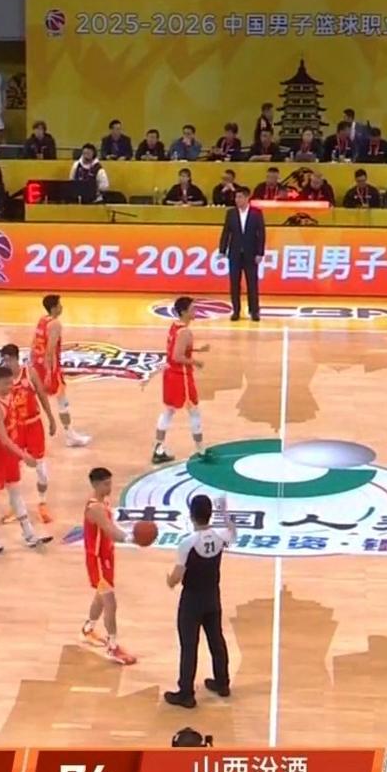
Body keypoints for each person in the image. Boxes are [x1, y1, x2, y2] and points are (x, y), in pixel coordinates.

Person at [163, 493, 234, 708]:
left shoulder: (188, 543)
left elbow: (177, 577)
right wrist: (224, 511)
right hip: (212, 597)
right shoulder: (220, 537)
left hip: (192, 601)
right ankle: (222, 683)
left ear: (191, 515)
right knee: (216, 640)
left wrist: (169, 580)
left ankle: (186, 693)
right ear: (210, 514)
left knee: (189, 646)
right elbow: (233, 530)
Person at [0, 366, 50, 554]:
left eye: (11, 383)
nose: (10, 387)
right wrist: (23, 455)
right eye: (6, 384)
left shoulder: (8, 397)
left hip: (8, 454)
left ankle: (29, 534)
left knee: (16, 492)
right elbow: (3, 438)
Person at [80, 467, 139, 666]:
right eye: (106, 484)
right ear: (96, 485)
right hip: (97, 559)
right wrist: (132, 538)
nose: (110, 487)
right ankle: (112, 647)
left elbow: (111, 530)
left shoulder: (103, 502)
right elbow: (110, 530)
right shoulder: (95, 508)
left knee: (100, 596)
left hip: (106, 557)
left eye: (110, 482)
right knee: (110, 602)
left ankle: (88, 629)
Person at [0, 343, 57, 523]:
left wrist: (51, 418)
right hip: (15, 428)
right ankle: (15, 506)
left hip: (33, 426)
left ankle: (42, 502)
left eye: (9, 360)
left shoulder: (29, 373)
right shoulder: (1, 379)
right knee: (12, 470)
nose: (6, 363)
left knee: (41, 470)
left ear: (16, 359)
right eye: (4, 360)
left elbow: (42, 395)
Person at [153, 296, 207, 463]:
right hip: (181, 376)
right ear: (184, 312)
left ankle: (158, 449)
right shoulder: (185, 332)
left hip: (170, 375)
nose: (195, 311)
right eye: (192, 309)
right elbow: (177, 356)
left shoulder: (175, 326)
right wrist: (195, 362)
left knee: (168, 411)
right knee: (194, 411)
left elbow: (175, 349)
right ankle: (201, 450)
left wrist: (196, 350)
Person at [31, 295, 91, 447]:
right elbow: (50, 351)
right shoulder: (55, 324)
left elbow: (37, 345)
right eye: (59, 305)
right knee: (62, 402)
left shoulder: (42, 320)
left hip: (37, 365)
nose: (61, 307)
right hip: (49, 368)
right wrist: (49, 374)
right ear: (54, 308)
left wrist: (68, 347)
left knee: (36, 399)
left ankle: (69, 434)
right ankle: (70, 436)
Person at [218, 187, 265, 322]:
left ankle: (254, 311)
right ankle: (236, 311)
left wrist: (260, 252)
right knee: (234, 283)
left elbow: (261, 233)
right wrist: (222, 250)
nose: (237, 200)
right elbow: (226, 232)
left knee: (252, 284)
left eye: (240, 197)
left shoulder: (256, 213)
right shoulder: (231, 213)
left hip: (251, 253)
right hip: (235, 253)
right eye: (236, 197)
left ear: (246, 198)